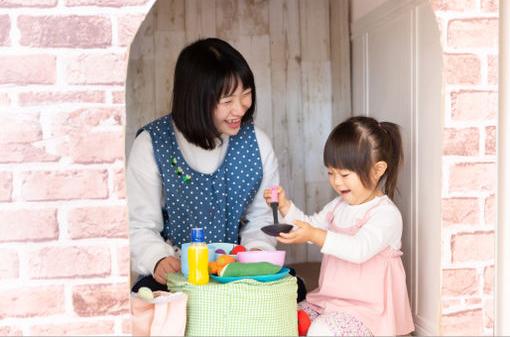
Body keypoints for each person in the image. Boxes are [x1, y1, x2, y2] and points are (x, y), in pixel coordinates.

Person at [127, 38, 280, 292]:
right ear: (195, 99)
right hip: (177, 272)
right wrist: (158, 258)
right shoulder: (152, 144)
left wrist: (256, 253)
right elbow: (140, 224)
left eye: (246, 94)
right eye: (227, 100)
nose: (240, 109)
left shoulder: (258, 144)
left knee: (294, 288)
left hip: (235, 272)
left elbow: (263, 216)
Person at [264, 116, 415, 336]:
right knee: (285, 317)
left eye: (344, 174)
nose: (336, 181)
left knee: (321, 330)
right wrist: (286, 207)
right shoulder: (338, 206)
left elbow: (358, 250)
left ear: (378, 169)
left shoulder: (386, 214)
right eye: (331, 172)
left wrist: (317, 235)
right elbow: (309, 228)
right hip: (328, 302)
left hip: (365, 313)